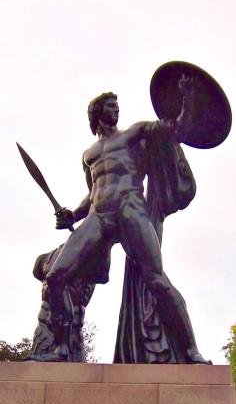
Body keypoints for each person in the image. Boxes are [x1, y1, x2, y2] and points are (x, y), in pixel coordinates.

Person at [46, 80, 209, 363]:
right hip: (100, 216)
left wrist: (188, 96)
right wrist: (72, 214)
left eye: (118, 105)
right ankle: (61, 347)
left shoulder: (135, 134)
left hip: (130, 208)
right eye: (111, 106)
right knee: (56, 275)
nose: (117, 109)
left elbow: (177, 129)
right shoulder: (89, 155)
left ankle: (191, 349)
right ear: (97, 113)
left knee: (157, 280)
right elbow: (93, 193)